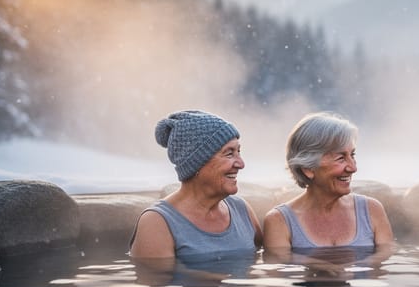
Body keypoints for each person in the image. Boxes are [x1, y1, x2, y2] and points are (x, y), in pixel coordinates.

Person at [129, 110, 263, 258]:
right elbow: (156, 278)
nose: (241, 164)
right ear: (197, 163)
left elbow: (265, 261)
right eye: (229, 153)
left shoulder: (241, 210)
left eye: (239, 151)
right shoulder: (157, 222)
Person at [262, 111, 394, 251]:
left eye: (352, 155)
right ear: (308, 168)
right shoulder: (280, 221)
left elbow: (384, 260)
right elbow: (281, 266)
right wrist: (324, 266)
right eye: (341, 158)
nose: (353, 168)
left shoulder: (371, 210)